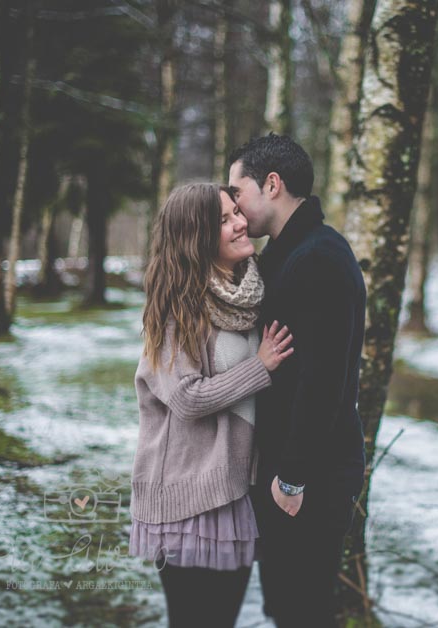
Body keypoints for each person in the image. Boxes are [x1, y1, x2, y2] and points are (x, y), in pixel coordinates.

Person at [128, 182, 295, 627]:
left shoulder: (248, 296)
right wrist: (259, 367)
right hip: (185, 498)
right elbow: (185, 398)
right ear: (197, 236)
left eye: (236, 212)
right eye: (223, 220)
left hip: (232, 493)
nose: (240, 223)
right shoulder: (175, 310)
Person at [228, 133, 367, 627]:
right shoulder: (292, 253)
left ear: (271, 184)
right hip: (294, 475)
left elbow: (323, 381)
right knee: (286, 608)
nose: (236, 209)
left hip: (309, 480)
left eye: (237, 192)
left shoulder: (318, 258)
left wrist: (291, 476)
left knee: (300, 611)